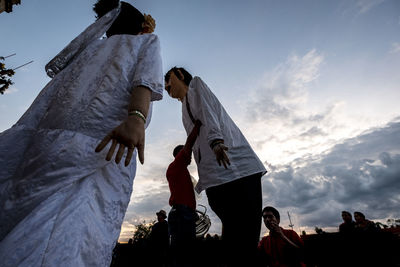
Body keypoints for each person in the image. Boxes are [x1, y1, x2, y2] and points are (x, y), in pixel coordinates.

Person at [0, 1, 163, 266]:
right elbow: (145, 80)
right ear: (141, 28)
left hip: (47, 146)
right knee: (77, 226)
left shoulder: (88, 50)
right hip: (105, 143)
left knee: (33, 219)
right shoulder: (145, 43)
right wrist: (136, 117)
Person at [164, 67, 267, 266]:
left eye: (168, 80)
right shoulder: (184, 107)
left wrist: (216, 141)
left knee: (241, 242)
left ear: (180, 74)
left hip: (234, 168)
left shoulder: (196, 86)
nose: (167, 87)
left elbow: (208, 112)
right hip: (219, 177)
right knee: (238, 241)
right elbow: (194, 137)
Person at [166, 120, 201, 267]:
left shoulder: (180, 170)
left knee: (180, 253)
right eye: (188, 154)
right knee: (185, 254)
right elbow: (189, 144)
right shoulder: (177, 164)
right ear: (180, 154)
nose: (191, 157)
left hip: (182, 213)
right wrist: (197, 126)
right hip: (182, 214)